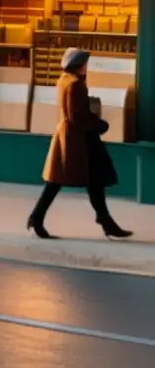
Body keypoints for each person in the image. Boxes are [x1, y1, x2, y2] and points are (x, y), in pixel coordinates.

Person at [27, 47, 133, 240]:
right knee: (74, 180)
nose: (87, 67)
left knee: (84, 180)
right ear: (79, 65)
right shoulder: (76, 84)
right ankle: (37, 217)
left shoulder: (64, 80)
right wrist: (100, 124)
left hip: (69, 137)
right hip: (80, 141)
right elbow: (78, 116)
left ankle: (104, 220)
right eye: (85, 64)